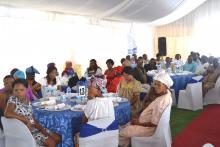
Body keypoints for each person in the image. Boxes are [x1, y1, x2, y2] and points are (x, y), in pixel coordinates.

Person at [119, 73, 173, 147]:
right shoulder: (167, 94)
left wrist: (138, 123)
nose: (155, 87)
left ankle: (123, 144)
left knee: (122, 132)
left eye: (158, 85)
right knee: (127, 124)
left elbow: (154, 124)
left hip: (150, 130)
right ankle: (128, 142)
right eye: (155, 84)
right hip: (148, 124)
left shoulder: (160, 102)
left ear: (166, 86)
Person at [4, 79, 61, 147]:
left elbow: (32, 118)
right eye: (16, 90)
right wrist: (24, 119)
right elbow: (7, 113)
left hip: (33, 128)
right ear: (13, 91)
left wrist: (42, 130)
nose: (18, 92)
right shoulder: (13, 99)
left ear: (27, 89)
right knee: (51, 143)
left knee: (58, 137)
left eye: (21, 90)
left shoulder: (28, 101)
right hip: (24, 132)